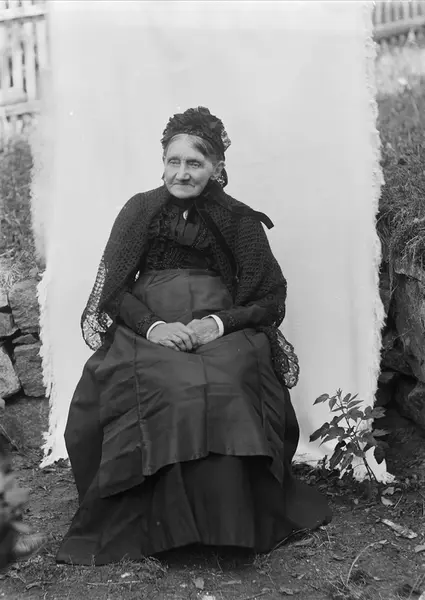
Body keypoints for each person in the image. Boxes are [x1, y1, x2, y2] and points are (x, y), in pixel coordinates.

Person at [56, 107, 331, 566]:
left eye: (195, 163)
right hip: (150, 328)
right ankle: (161, 526)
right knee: (171, 384)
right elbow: (114, 290)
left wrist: (216, 325)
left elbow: (270, 297)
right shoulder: (140, 210)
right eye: (174, 161)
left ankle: (229, 525)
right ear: (162, 162)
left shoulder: (239, 219)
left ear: (217, 168)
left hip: (219, 326)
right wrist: (155, 327)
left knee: (226, 381)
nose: (182, 173)